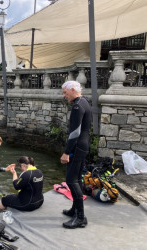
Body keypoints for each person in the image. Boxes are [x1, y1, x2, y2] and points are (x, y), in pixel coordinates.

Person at [60, 81, 92, 229]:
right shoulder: (85, 101)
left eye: (65, 92)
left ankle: (80, 218)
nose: (64, 95)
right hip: (83, 145)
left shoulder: (77, 107)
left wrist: (66, 153)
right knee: (77, 179)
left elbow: (74, 133)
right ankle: (75, 209)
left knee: (71, 180)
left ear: (72, 90)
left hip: (77, 147)